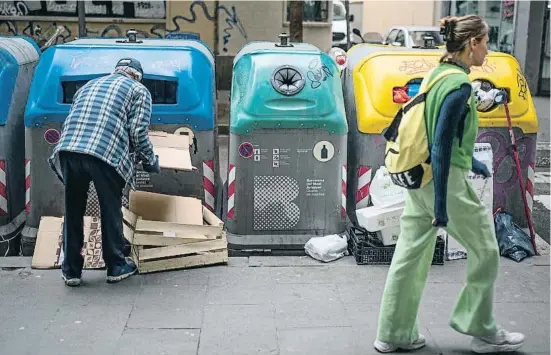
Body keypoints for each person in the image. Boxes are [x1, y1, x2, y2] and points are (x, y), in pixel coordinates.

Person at [373, 15, 525, 354]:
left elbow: (439, 132)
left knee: (410, 257)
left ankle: (393, 333)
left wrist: (472, 160)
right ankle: (481, 329)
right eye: (486, 41)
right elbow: (440, 146)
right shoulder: (457, 86)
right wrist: (441, 208)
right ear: (472, 43)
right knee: (486, 250)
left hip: (418, 180)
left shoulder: (438, 74)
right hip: (443, 183)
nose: (488, 49)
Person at [48, 58, 160, 287]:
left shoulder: (90, 84)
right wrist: (151, 160)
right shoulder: (139, 90)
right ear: (137, 76)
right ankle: (116, 265)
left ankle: (71, 270)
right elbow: (138, 132)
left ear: (116, 71)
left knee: (73, 208)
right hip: (104, 152)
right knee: (110, 208)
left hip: (69, 149)